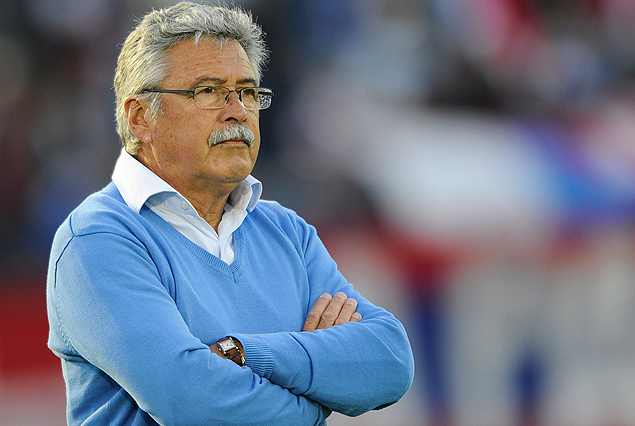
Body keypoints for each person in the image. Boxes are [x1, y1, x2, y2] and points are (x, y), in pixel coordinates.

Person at [46, 2, 414, 425]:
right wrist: (316, 397)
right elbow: (190, 400)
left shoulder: (286, 231)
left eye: (248, 92)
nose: (238, 110)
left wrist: (241, 353)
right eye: (208, 91)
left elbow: (390, 359)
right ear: (141, 117)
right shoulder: (96, 241)